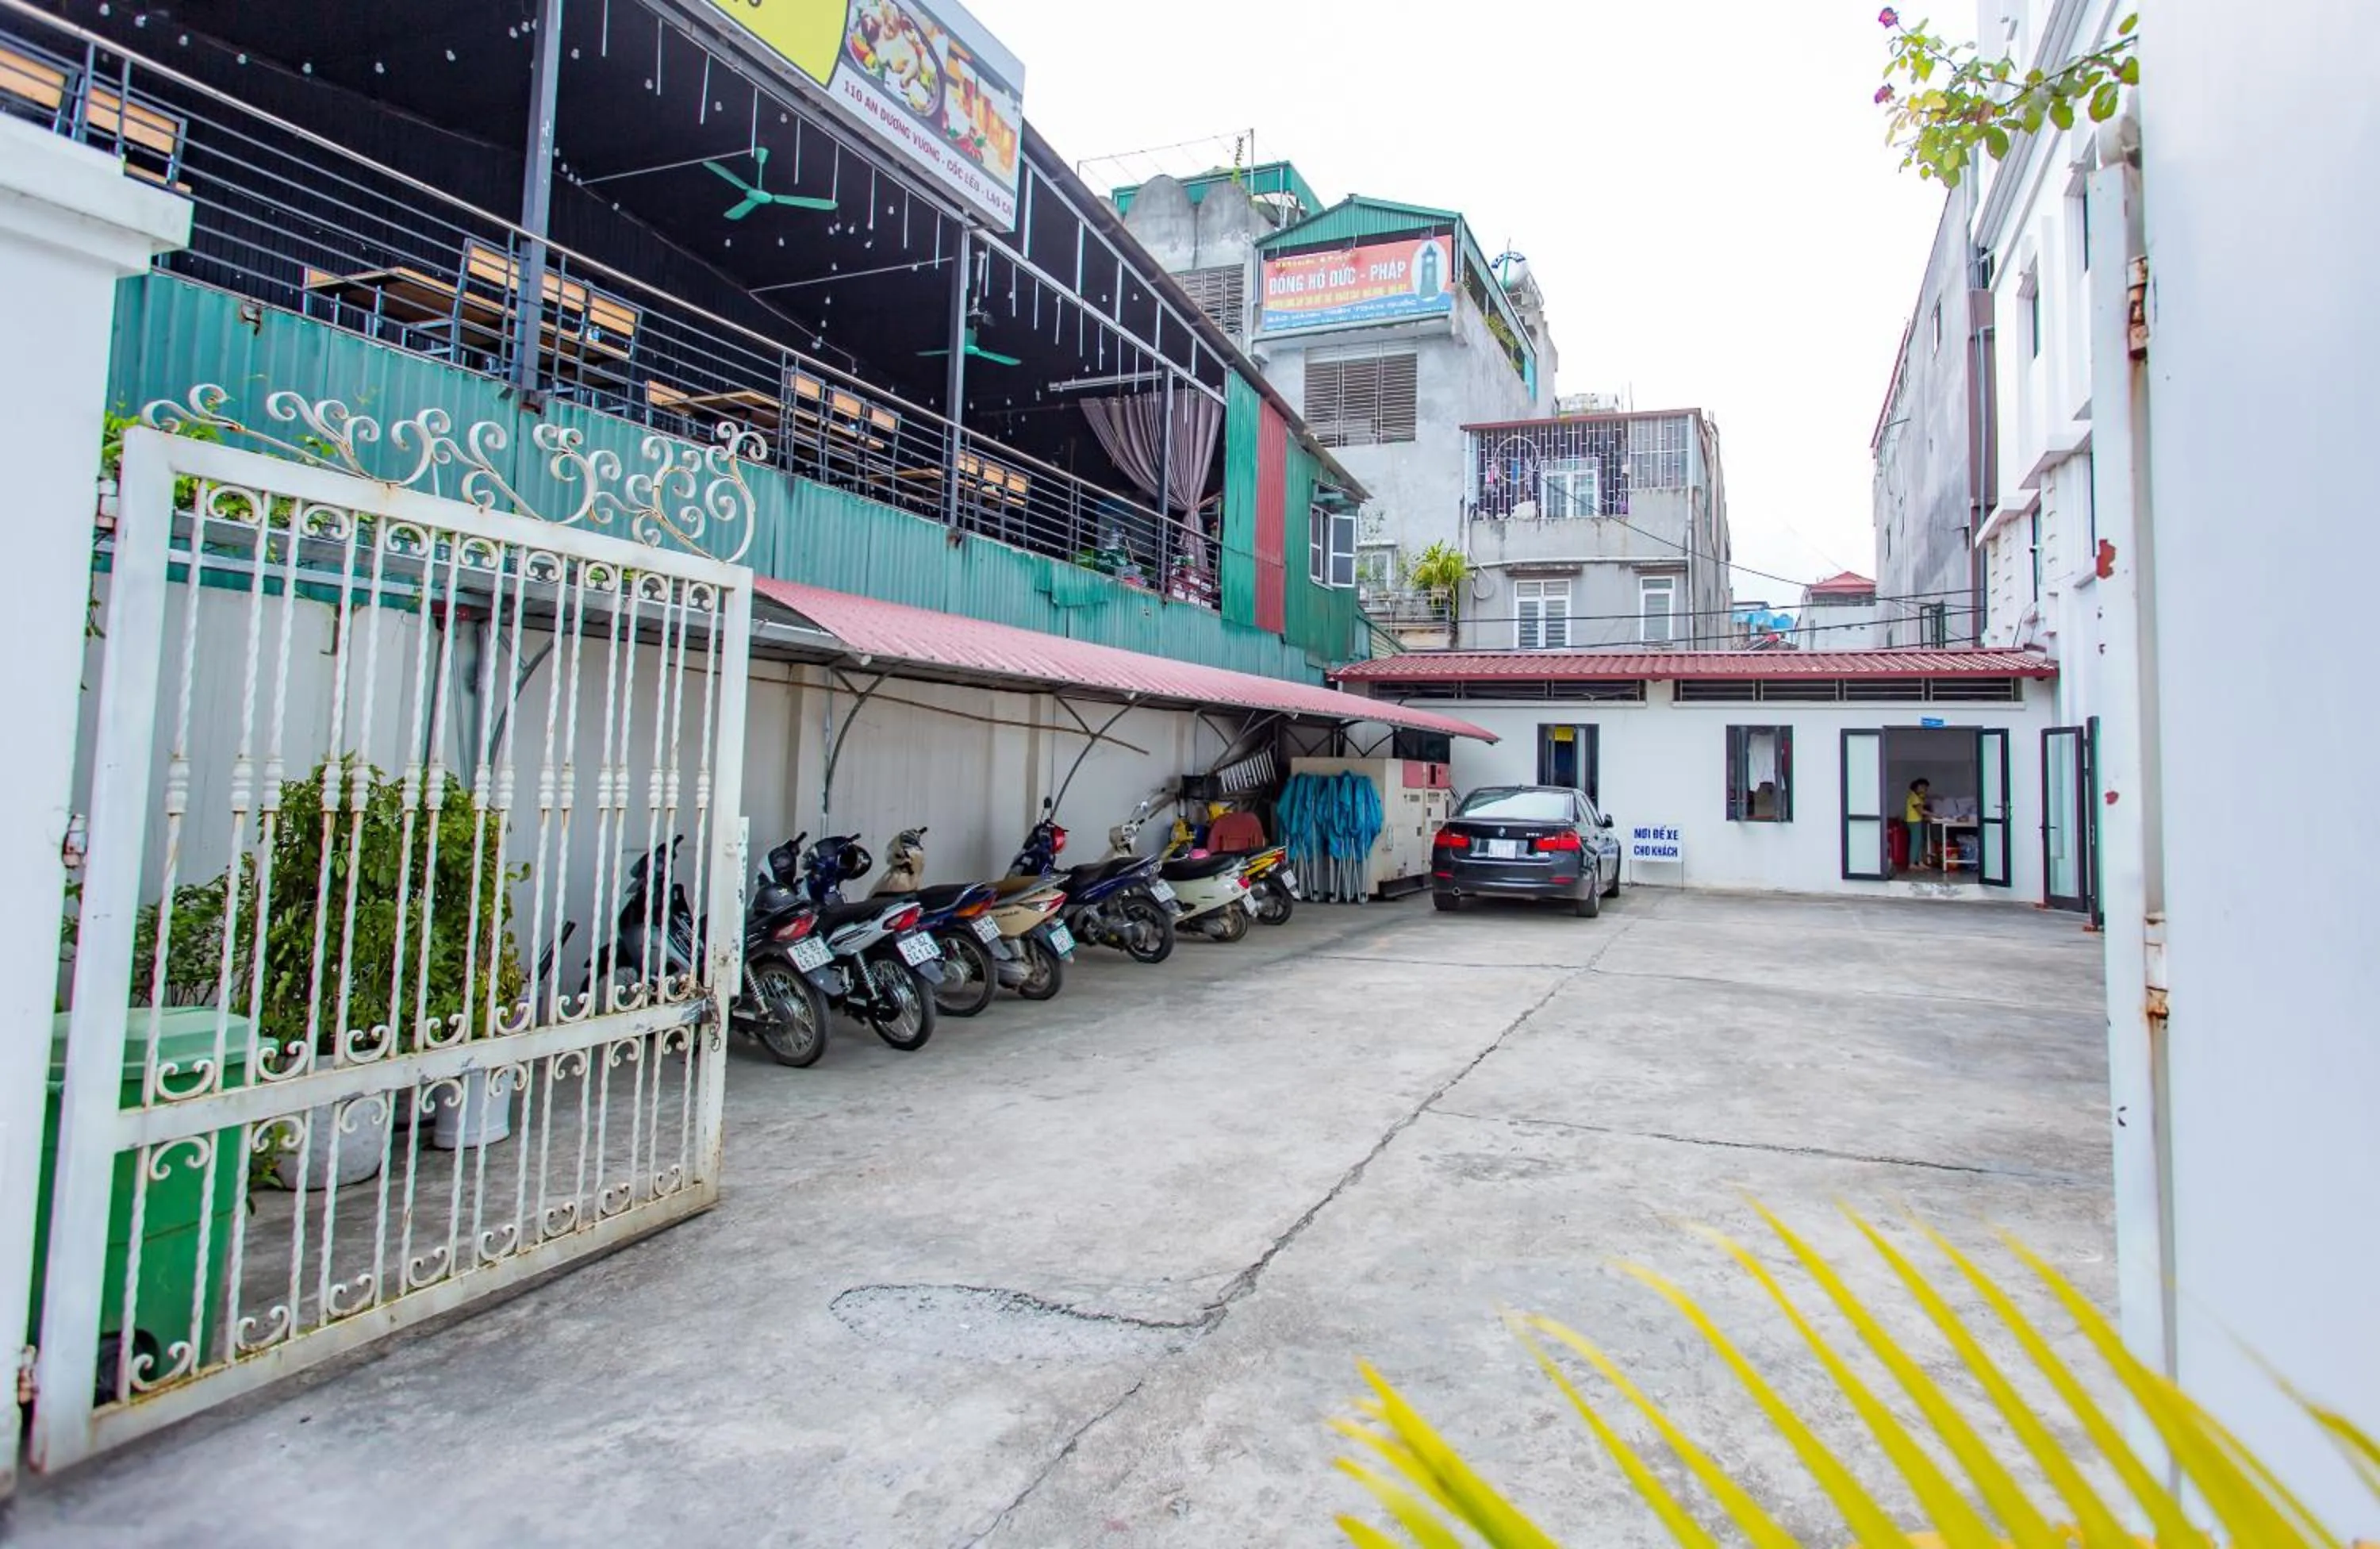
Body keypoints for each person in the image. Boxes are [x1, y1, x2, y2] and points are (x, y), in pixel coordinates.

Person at [1904, 778, 1932, 871]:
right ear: (1918, 787)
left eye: (1926, 788)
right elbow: (1920, 811)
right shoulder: (1914, 797)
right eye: (1923, 787)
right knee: (1915, 842)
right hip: (1913, 821)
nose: (1925, 790)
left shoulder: (1918, 796)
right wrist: (1935, 815)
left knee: (1920, 842)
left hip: (1917, 820)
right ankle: (1911, 863)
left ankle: (1920, 862)